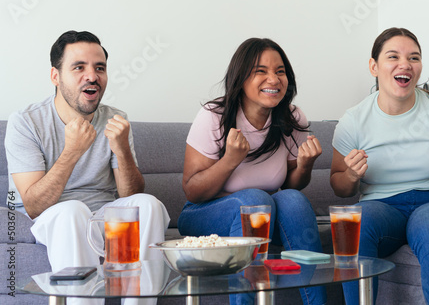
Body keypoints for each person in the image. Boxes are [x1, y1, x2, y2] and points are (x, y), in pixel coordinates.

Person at [5, 31, 170, 304]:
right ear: (55, 76)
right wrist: (72, 151)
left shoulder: (116, 119)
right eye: (79, 67)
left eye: (99, 68)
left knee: (147, 203)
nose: (92, 76)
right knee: (73, 211)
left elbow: (129, 194)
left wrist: (123, 150)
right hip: (53, 219)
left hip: (102, 217)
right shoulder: (26, 122)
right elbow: (34, 205)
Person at [330, 27, 429, 305]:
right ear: (374, 66)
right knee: (354, 223)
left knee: (428, 226)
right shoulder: (354, 120)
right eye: (393, 56)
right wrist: (350, 174)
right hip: (381, 207)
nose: (405, 65)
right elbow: (339, 186)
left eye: (414, 57)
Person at [178, 38, 327, 305]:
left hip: (265, 216)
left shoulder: (292, 119)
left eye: (280, 71)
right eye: (261, 71)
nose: (273, 79)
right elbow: (193, 190)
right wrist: (229, 161)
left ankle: (317, 302)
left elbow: (293, 185)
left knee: (292, 200)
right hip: (204, 214)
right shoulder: (215, 115)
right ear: (241, 77)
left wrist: (305, 165)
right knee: (255, 201)